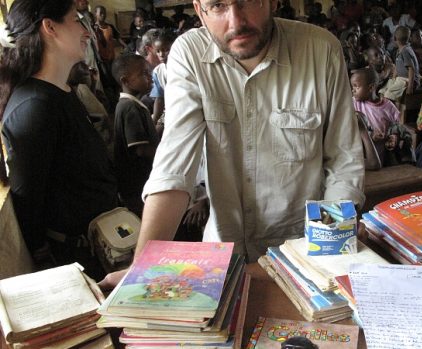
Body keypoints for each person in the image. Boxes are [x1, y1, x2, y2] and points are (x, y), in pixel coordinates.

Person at [99, 0, 364, 288]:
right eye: (218, 6)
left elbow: (343, 160)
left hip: (303, 257)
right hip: (222, 262)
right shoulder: (190, 54)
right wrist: (141, 270)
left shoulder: (321, 50)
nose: (236, 21)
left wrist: (327, 252)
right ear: (199, 10)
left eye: (248, 1)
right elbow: (174, 167)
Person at [0, 0, 117, 279]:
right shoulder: (34, 106)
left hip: (102, 243)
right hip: (76, 259)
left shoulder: (62, 91)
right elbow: (29, 198)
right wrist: (45, 257)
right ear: (50, 27)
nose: (86, 31)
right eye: (76, 21)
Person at [112, 54, 158, 217]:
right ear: (126, 81)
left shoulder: (132, 105)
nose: (150, 77)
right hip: (137, 184)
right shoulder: (130, 108)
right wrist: (166, 153)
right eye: (143, 74)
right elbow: (140, 150)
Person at [351, 67, 400, 167]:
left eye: (356, 87)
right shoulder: (354, 103)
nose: (353, 90)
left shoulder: (388, 106)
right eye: (352, 87)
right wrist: (370, 135)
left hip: (382, 151)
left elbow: (397, 126)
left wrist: (394, 137)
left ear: (371, 88)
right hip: (362, 155)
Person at [149, 29, 177, 137]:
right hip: (169, 110)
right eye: (158, 51)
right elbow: (159, 98)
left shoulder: (184, 68)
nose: (161, 54)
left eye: (166, 50)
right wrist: (155, 119)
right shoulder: (158, 71)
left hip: (187, 109)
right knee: (157, 133)